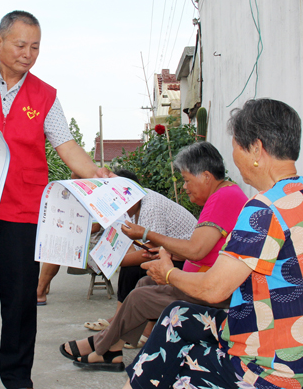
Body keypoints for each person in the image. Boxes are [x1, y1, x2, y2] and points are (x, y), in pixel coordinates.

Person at [0, 10, 110, 389]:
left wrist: (95, 173)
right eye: (21, 45)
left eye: (35, 47)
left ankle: (16, 379)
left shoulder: (45, 96)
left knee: (21, 305)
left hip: (24, 214)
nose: (28, 54)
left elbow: (67, 145)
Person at [123, 99, 303, 388]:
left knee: (175, 364)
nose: (233, 157)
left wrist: (167, 273)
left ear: (255, 148)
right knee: (177, 315)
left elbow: (213, 289)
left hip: (280, 372)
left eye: (235, 147)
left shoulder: (264, 209)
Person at [60, 141, 248, 372]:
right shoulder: (224, 195)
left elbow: (196, 250)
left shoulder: (223, 197)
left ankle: (100, 345)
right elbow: (203, 249)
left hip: (209, 289)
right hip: (199, 278)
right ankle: (112, 349)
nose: (185, 187)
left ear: (206, 176)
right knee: (144, 284)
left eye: (187, 180)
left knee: (140, 296)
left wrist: (147, 235)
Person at [37, 169, 196, 309]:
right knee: (129, 266)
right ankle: (121, 316)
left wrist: (119, 261)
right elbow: (137, 243)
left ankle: (122, 317)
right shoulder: (133, 204)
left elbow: (153, 248)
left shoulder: (150, 206)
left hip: (187, 258)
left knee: (131, 267)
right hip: (169, 252)